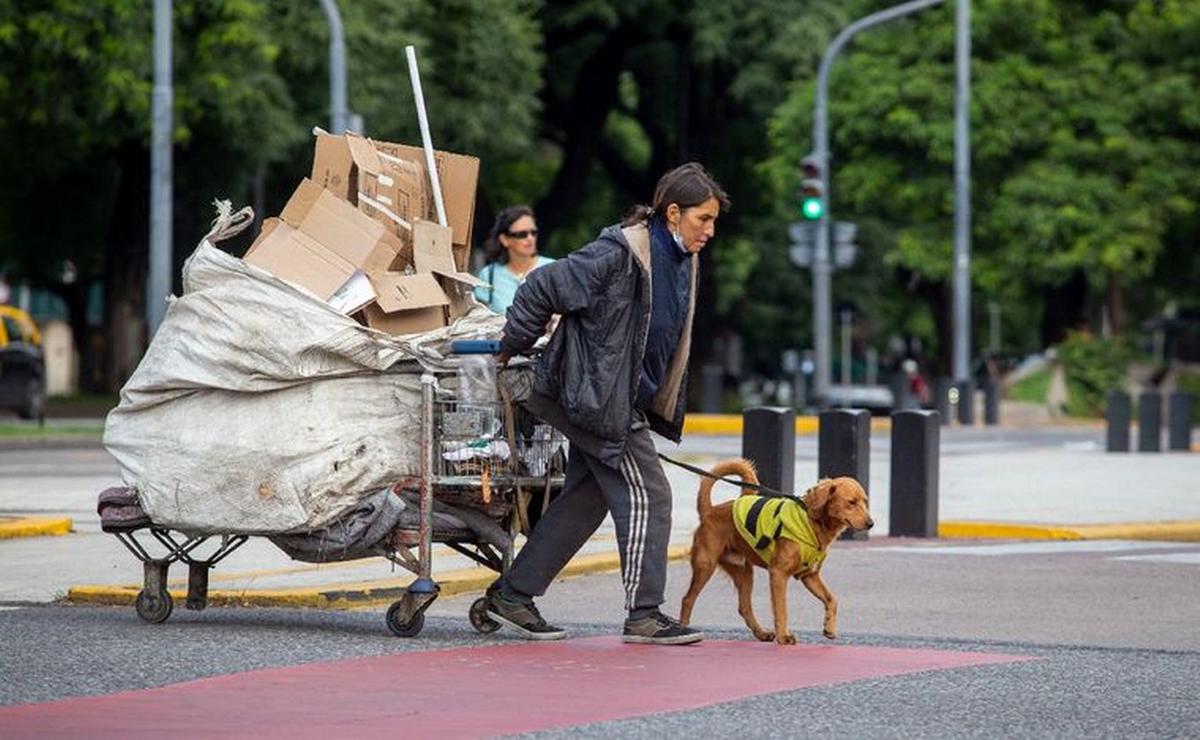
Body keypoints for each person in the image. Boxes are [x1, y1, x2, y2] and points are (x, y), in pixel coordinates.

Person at [483, 162, 729, 645]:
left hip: (614, 398)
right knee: (650, 495)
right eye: (704, 218)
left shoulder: (681, 259)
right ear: (673, 212)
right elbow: (542, 286)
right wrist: (513, 345)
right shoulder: (620, 253)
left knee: (585, 498)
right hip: (593, 397)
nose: (710, 230)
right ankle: (644, 613)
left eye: (714, 220)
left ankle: (512, 596)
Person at [474, 206, 554, 314]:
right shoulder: (488, 274)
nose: (530, 238)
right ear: (505, 240)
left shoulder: (552, 268)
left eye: (533, 232)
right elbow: (479, 318)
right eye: (522, 235)